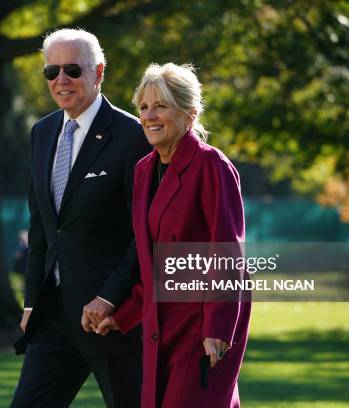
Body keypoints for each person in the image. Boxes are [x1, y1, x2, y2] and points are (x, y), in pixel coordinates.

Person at [96, 63, 251, 408]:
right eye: (144, 107)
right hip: (158, 330)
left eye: (161, 106)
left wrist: (218, 329)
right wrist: (123, 316)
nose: (149, 116)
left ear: (190, 114)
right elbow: (156, 264)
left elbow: (227, 254)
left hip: (200, 329)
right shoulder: (144, 169)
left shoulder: (212, 165)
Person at [10, 28, 151, 407]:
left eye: (72, 69)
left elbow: (145, 232)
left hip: (112, 319)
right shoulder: (41, 133)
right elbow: (41, 228)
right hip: (53, 316)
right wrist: (30, 304)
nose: (61, 80)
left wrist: (110, 297)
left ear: (99, 72)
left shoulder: (132, 136)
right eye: (51, 72)